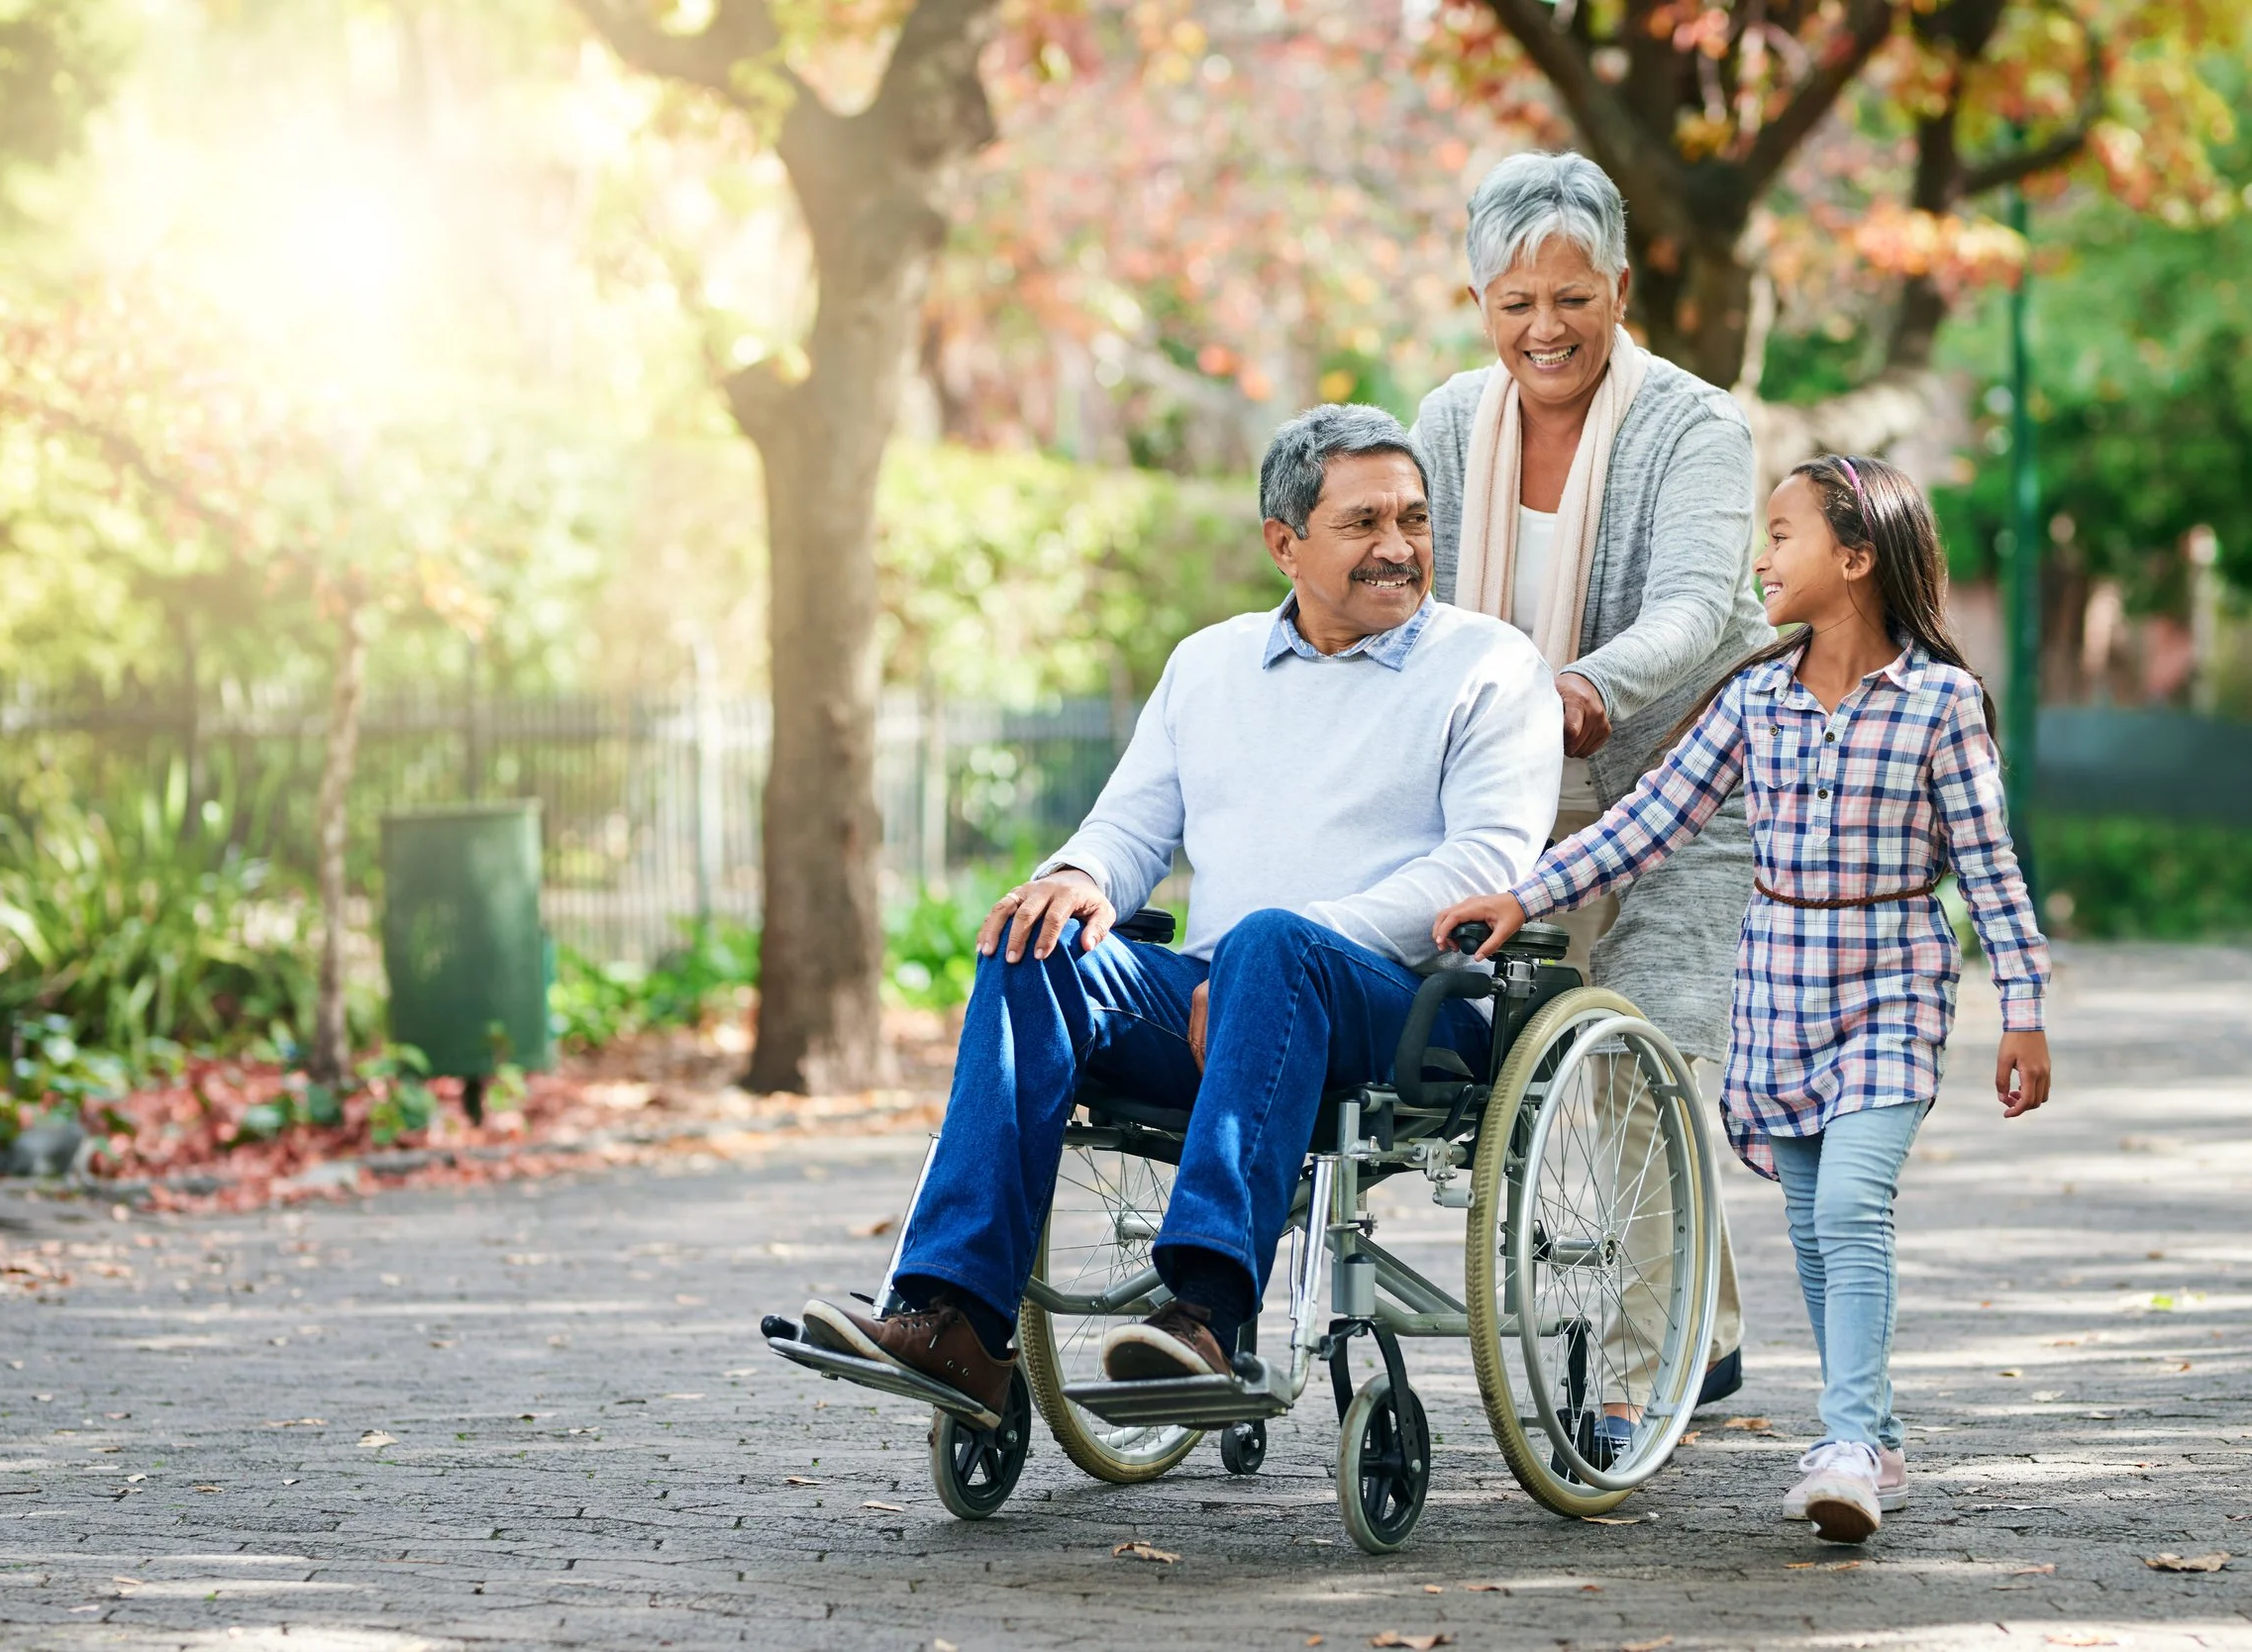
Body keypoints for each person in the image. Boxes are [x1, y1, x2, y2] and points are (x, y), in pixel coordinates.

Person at [792, 404, 1562, 1422]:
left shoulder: (1490, 666)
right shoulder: (1208, 665)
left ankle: (1204, 1314)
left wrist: (1285, 949)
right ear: (1282, 543)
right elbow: (1127, 831)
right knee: (1036, 944)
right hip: (1220, 999)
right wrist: (1076, 879)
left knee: (1270, 943)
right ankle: (953, 1318)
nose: (1398, 547)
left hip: (1402, 1013)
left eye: (1413, 521)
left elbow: (1483, 866)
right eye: (1363, 523)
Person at [1434, 454, 2052, 1545]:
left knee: (1855, 1206)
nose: (1759, 557)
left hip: (1890, 987)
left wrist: (2023, 1004)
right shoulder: (1753, 697)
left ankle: (1848, 1443)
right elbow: (1648, 823)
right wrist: (1520, 894)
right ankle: (1878, 1435)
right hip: (1774, 988)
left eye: (1782, 534)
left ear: (1855, 559)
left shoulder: (1941, 703)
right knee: (1815, 1228)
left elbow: (1989, 866)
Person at [1409, 150, 1769, 1425]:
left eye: (1572, 298)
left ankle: (1626, 1388)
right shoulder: (1449, 424)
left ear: (1619, 287)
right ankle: (1696, 1333)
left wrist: (1585, 687)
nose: (1545, 329)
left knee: (1638, 1067)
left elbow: (1692, 607)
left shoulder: (1695, 425)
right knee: (1554, 1078)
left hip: (1686, 798)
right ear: (1479, 306)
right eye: (1516, 305)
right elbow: (1412, 590)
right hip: (1515, 802)